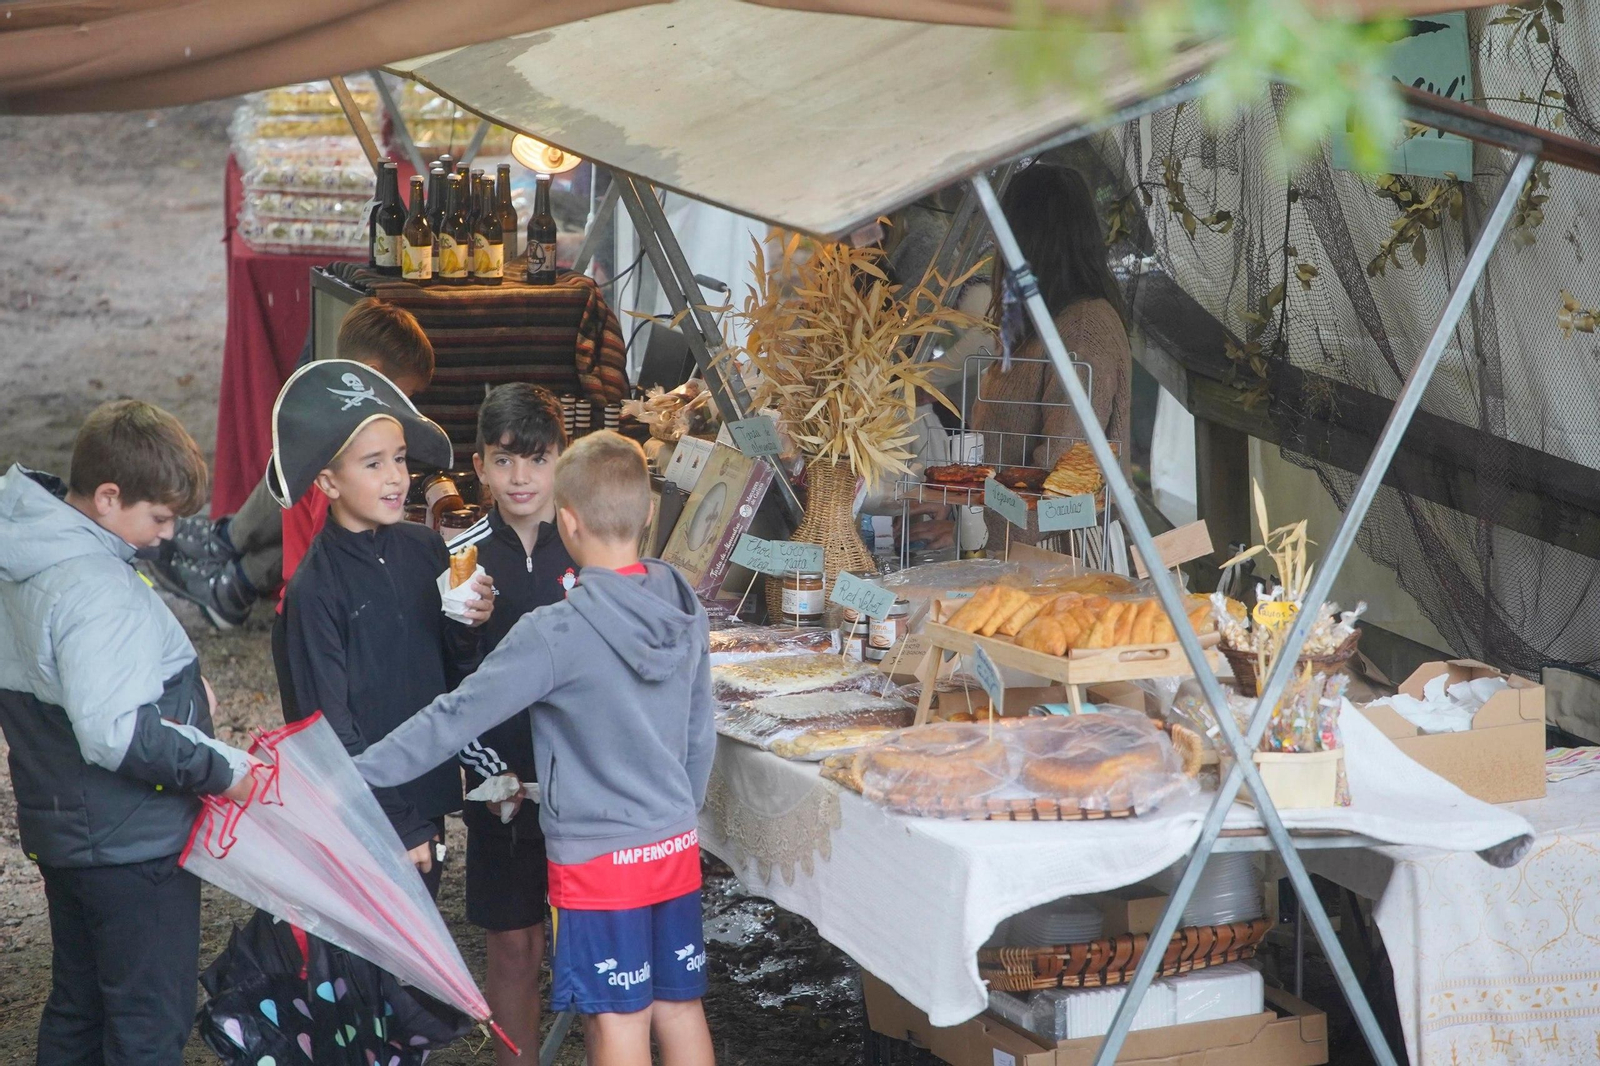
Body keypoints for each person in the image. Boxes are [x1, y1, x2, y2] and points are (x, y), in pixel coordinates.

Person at [353, 431, 717, 1066]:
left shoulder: (555, 632)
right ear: (649, 513)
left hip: (601, 864)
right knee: (680, 1005)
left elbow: (452, 719)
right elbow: (699, 731)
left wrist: (354, 772)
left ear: (566, 521)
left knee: (617, 1020)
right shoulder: (680, 600)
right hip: (674, 845)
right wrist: (680, 814)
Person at [0, 400, 255, 1065]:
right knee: (148, 1025)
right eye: (161, 517)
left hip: (65, 830)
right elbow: (116, 734)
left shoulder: (28, 553)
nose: (167, 535)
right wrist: (228, 769)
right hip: (131, 846)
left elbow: (67, 681)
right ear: (110, 497)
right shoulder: (94, 586)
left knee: (79, 1010)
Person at [276, 360, 494, 895]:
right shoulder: (315, 591)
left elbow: (452, 671)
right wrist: (395, 820)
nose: (397, 477)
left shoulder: (424, 549)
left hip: (424, 792)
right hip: (362, 811)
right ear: (327, 480)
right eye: (373, 464)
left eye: (398, 458)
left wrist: (468, 624)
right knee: (376, 969)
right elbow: (326, 728)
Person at [151, 299, 435, 629]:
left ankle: (228, 568)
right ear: (372, 373)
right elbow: (329, 549)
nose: (407, 406)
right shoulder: (339, 460)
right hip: (320, 614)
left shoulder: (326, 436)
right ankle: (228, 562)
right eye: (406, 395)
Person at [449, 383, 575, 1066]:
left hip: (584, 781)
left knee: (599, 939)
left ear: (561, 459)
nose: (520, 478)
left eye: (536, 459)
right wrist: (485, 770)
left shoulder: (585, 543)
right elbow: (451, 682)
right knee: (514, 943)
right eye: (503, 462)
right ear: (478, 467)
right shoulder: (461, 554)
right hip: (499, 782)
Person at [970, 163, 1132, 549]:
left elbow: (1060, 482)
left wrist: (981, 527)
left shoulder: (1081, 331)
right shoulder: (1041, 325)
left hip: (1057, 554)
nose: (996, 248)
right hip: (1015, 544)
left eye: (1003, 235)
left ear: (1027, 240)